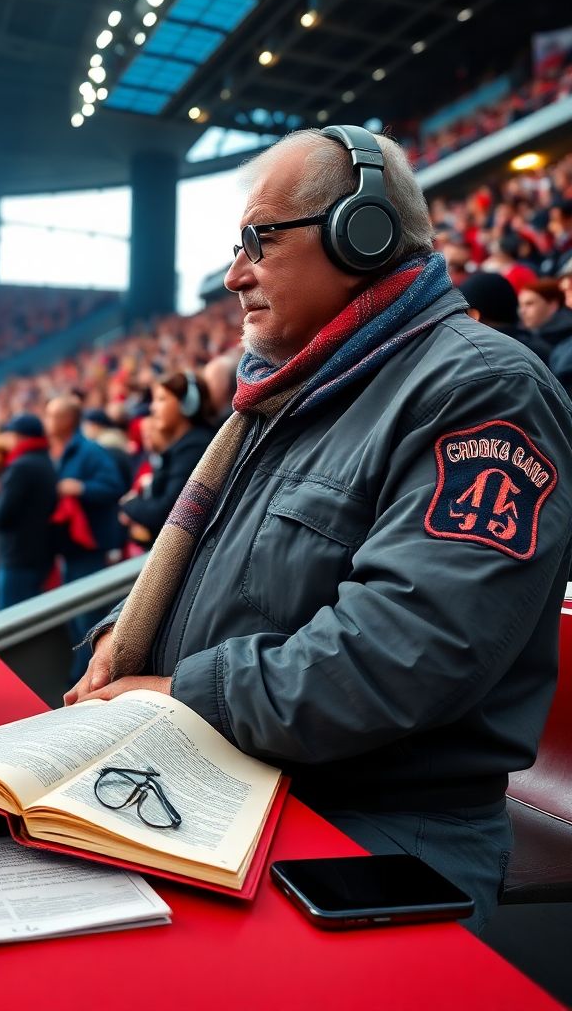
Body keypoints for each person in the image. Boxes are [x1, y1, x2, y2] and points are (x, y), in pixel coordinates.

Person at [66, 126, 572, 935]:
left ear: (359, 234)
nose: (234, 276)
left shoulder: (484, 388)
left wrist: (181, 693)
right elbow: (218, 574)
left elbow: (410, 651)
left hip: (376, 828)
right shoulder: (296, 389)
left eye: (258, 242)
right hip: (238, 781)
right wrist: (118, 643)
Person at [43, 394, 125, 678]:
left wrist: (81, 488)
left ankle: (87, 679)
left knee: (87, 619)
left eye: (52, 415)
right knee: (73, 617)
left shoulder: (91, 452)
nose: (47, 421)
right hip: (66, 549)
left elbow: (114, 486)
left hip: (88, 547)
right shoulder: (53, 452)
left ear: (68, 420)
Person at [119, 371, 215, 545]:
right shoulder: (183, 446)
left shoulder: (193, 447)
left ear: (187, 404)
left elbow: (167, 512)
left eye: (161, 399)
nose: (153, 408)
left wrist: (130, 504)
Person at [0, 413, 57, 609]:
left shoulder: (21, 466)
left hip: (16, 556)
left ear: (20, 437)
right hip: (37, 553)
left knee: (11, 616)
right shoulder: (45, 460)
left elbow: (1, 515)